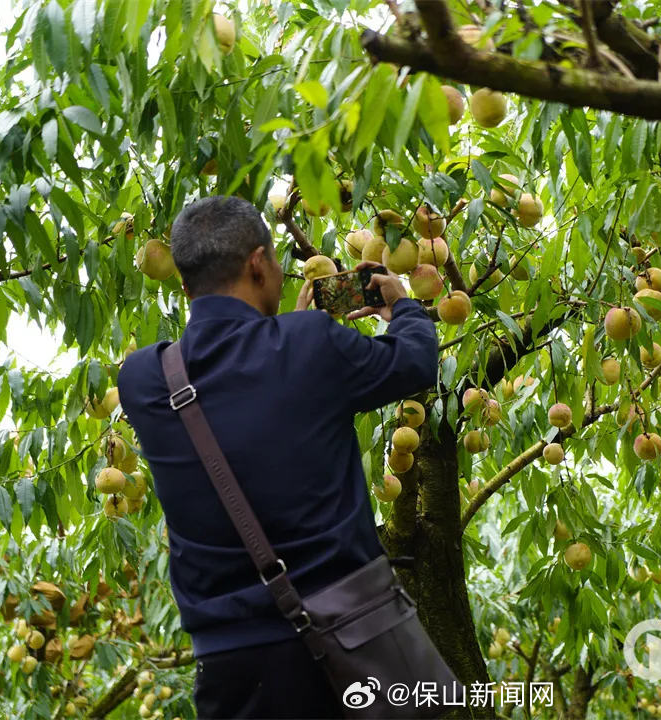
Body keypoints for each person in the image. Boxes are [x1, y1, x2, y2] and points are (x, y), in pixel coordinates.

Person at [118, 195, 438, 719]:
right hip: (349, 643)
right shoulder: (310, 344)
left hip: (232, 667)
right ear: (260, 263)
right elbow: (416, 362)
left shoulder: (143, 382)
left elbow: (247, 390)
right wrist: (400, 304)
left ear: (185, 286)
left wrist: (292, 336)